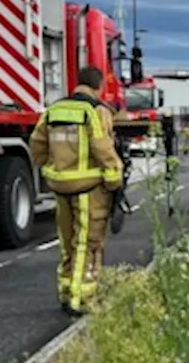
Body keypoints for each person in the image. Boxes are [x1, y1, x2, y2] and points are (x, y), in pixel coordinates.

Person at [29, 66, 124, 315]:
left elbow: (37, 144)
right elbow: (103, 148)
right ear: (98, 87)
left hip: (60, 186)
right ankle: (80, 298)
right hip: (88, 188)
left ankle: (65, 289)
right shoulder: (95, 111)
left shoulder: (54, 110)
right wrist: (114, 182)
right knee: (87, 241)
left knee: (66, 240)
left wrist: (50, 167)